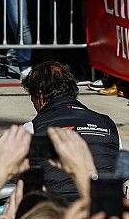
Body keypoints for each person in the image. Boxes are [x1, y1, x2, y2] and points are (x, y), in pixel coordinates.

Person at [21, 62, 120, 200]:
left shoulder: (31, 129)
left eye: (33, 99)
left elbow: (19, 176)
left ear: (40, 96)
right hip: (106, 208)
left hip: (55, 211)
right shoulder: (108, 124)